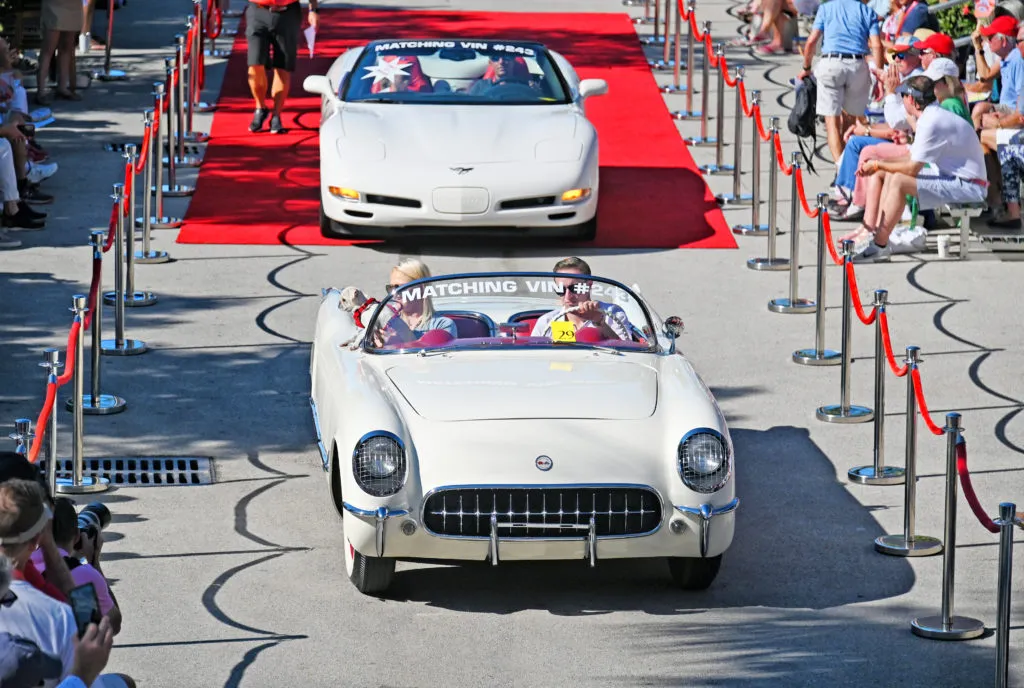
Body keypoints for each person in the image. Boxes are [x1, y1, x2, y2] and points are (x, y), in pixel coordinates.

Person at [0, 480, 134, 688]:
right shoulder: (60, 614)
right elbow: (105, 628)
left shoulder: (30, 578)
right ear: (38, 537)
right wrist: (92, 564)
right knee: (124, 682)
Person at [852, 76, 988, 262]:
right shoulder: (932, 115)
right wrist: (879, 163)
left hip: (970, 187)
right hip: (959, 179)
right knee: (892, 175)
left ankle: (879, 246)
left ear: (912, 100)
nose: (902, 100)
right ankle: (878, 237)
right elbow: (911, 158)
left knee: (899, 181)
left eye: (903, 96)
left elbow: (912, 169)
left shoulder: (931, 121)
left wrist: (876, 164)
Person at [798, 0, 885, 162]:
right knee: (851, 121)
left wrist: (806, 67)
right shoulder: (867, 11)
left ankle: (839, 166)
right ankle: (847, 164)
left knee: (831, 121)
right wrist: (879, 77)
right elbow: (877, 46)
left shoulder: (826, 8)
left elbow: (811, 41)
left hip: (831, 63)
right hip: (857, 65)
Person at [30, 500, 121, 635]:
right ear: (78, 536)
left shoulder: (19, 566)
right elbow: (112, 625)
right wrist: (94, 564)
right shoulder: (83, 575)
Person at [245, 0, 320, 135]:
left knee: (283, 66)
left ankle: (276, 115)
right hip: (258, 11)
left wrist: (313, 10)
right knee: (255, 63)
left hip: (287, 13)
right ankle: (260, 107)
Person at [530, 257, 632, 341]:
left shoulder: (613, 314)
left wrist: (599, 322)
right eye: (560, 289)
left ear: (589, 285)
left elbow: (628, 351)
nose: (568, 297)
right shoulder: (547, 322)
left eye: (575, 288)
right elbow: (533, 355)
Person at [373, 259, 457, 344]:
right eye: (391, 288)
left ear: (421, 288)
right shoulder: (387, 319)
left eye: (400, 288)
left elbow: (438, 352)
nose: (395, 293)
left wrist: (400, 343)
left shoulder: (442, 325)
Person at [36, 0, 84, 104]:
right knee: (48, 48)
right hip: (54, 4)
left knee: (67, 47)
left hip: (74, 5)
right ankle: (41, 91)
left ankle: (62, 87)